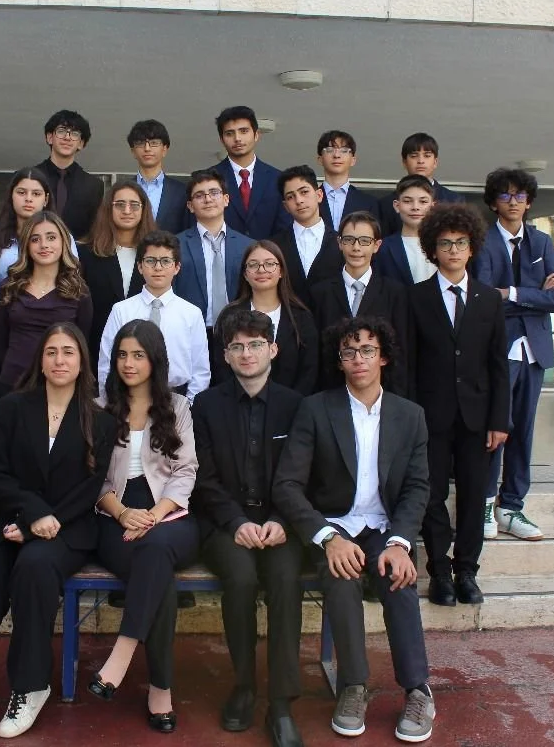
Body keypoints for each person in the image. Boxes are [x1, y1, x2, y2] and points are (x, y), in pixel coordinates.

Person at [0, 323, 117, 738]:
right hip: (1, 517)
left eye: (68, 352)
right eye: (51, 352)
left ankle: (30, 687)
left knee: (34, 571)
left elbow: (89, 487)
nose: (59, 360)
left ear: (82, 361)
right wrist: (29, 515)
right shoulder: (11, 407)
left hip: (65, 526)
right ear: (40, 359)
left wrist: (37, 527)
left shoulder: (100, 421)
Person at [272, 317, 436, 744]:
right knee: (341, 577)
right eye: (349, 352)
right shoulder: (315, 409)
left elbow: (418, 487)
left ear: (383, 357)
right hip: (335, 526)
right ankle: (353, 686)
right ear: (339, 361)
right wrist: (327, 537)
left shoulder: (410, 416)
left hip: (384, 527)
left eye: (367, 350)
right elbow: (287, 485)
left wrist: (401, 543)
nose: (358, 359)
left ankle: (418, 690)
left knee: (399, 577)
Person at [192, 310, 306, 747]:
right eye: (237, 346)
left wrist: (281, 519)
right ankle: (243, 686)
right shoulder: (206, 406)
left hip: (281, 522)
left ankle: (281, 703)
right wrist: (236, 521)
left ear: (272, 349)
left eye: (256, 344)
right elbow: (203, 477)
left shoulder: (296, 406)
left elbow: (303, 472)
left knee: (284, 580)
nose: (247, 353)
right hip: (225, 523)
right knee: (239, 580)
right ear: (225, 354)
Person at [89, 320, 200, 735]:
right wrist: (121, 513)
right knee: (158, 574)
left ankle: (121, 655)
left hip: (169, 513)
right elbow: (90, 476)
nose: (129, 363)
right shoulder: (99, 408)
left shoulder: (178, 407)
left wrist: (154, 515)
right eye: (122, 355)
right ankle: (160, 688)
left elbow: (186, 471)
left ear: (154, 359)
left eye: (138, 355)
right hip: (113, 514)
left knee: (156, 550)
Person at [408, 203, 509, 609]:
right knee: (431, 495)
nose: (453, 250)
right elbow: (409, 364)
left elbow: (498, 364)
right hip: (429, 416)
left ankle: (467, 570)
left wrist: (499, 420)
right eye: (445, 243)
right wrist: (411, 417)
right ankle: (439, 571)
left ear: (472, 247)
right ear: (432, 249)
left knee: (472, 493)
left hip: (477, 416)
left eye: (461, 243)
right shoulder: (416, 297)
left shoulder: (488, 299)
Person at [471, 168, 554, 543]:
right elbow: (483, 298)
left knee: (523, 431)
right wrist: (533, 294)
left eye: (520, 196)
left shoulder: (542, 242)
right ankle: (485, 504)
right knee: (496, 429)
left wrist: (511, 293)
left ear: (529, 202)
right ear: (493, 202)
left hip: (534, 351)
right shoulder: (482, 242)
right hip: (499, 350)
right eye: (505, 195)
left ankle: (512, 506)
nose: (513, 202)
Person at [98, 231, 210, 402]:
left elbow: (200, 370)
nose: (158, 268)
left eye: (165, 261)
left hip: (176, 397)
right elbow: (106, 364)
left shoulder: (191, 313)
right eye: (150, 261)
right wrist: (111, 403)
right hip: (127, 397)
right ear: (140, 266)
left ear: (177, 267)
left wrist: (189, 405)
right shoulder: (121, 310)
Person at [309, 211, 409, 398]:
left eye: (364, 241)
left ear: (376, 245)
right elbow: (315, 353)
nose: (356, 247)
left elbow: (401, 350)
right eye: (349, 240)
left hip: (382, 393)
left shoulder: (394, 292)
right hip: (331, 392)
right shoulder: (320, 293)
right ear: (340, 243)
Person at [0, 211, 93, 394]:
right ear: (26, 244)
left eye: (51, 237)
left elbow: (83, 344)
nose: (44, 245)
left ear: (63, 242)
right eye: (35, 239)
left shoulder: (79, 291)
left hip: (59, 386)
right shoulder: (8, 287)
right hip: (12, 383)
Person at [212, 241, 319, 395]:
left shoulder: (301, 317)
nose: (261, 270)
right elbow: (220, 366)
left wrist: (292, 402)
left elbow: (309, 370)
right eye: (253, 265)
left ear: (281, 271)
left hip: (292, 404)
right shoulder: (229, 315)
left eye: (269, 264)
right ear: (245, 274)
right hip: (236, 402)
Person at [78, 180, 151, 371]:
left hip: (145, 353)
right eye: (120, 204)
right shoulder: (85, 253)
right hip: (96, 351)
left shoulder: (154, 254)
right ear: (108, 209)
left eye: (134, 205)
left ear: (143, 210)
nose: (127, 210)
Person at [0, 167, 77, 299]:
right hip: (4, 308)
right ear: (11, 196)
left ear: (46, 199)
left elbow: (72, 281)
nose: (28, 199)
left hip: (55, 309)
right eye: (21, 192)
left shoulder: (63, 238)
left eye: (36, 194)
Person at [175, 169, 253, 330]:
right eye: (199, 195)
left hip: (238, 332)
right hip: (190, 330)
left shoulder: (248, 246)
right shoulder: (176, 245)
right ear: (190, 206)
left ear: (226, 199)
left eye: (214, 193)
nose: (208, 199)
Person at [208, 106, 290, 240]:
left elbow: (285, 228)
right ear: (222, 140)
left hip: (269, 252)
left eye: (244, 131)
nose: (237, 138)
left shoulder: (278, 179)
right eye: (229, 133)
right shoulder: (208, 179)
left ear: (256, 135)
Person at [271, 165, 343, 310]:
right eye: (290, 197)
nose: (299, 200)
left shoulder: (342, 242)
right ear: (285, 206)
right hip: (288, 319)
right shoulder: (274, 246)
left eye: (304, 192)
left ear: (319, 195)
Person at [36, 109, 105, 240]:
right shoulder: (30, 178)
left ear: (81, 143)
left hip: (76, 251)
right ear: (49, 137)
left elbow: (94, 231)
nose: (67, 137)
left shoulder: (93, 185)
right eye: (61, 131)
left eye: (74, 133)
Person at [381, 133, 464, 237]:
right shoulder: (386, 203)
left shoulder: (454, 200)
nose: (420, 161)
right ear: (404, 162)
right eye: (414, 156)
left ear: (435, 162)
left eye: (427, 156)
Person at [128, 119, 190, 233]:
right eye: (140, 143)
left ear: (164, 149)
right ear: (133, 151)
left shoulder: (182, 192)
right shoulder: (122, 190)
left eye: (154, 143)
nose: (147, 148)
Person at [377, 175, 437, 287]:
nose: (415, 207)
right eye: (407, 201)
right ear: (397, 206)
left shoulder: (444, 245)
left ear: (433, 206)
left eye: (423, 201)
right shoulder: (382, 248)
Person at [316, 130, 381, 232]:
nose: (336, 155)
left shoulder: (369, 203)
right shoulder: (308, 200)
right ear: (320, 159)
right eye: (329, 150)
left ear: (353, 160)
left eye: (344, 150)